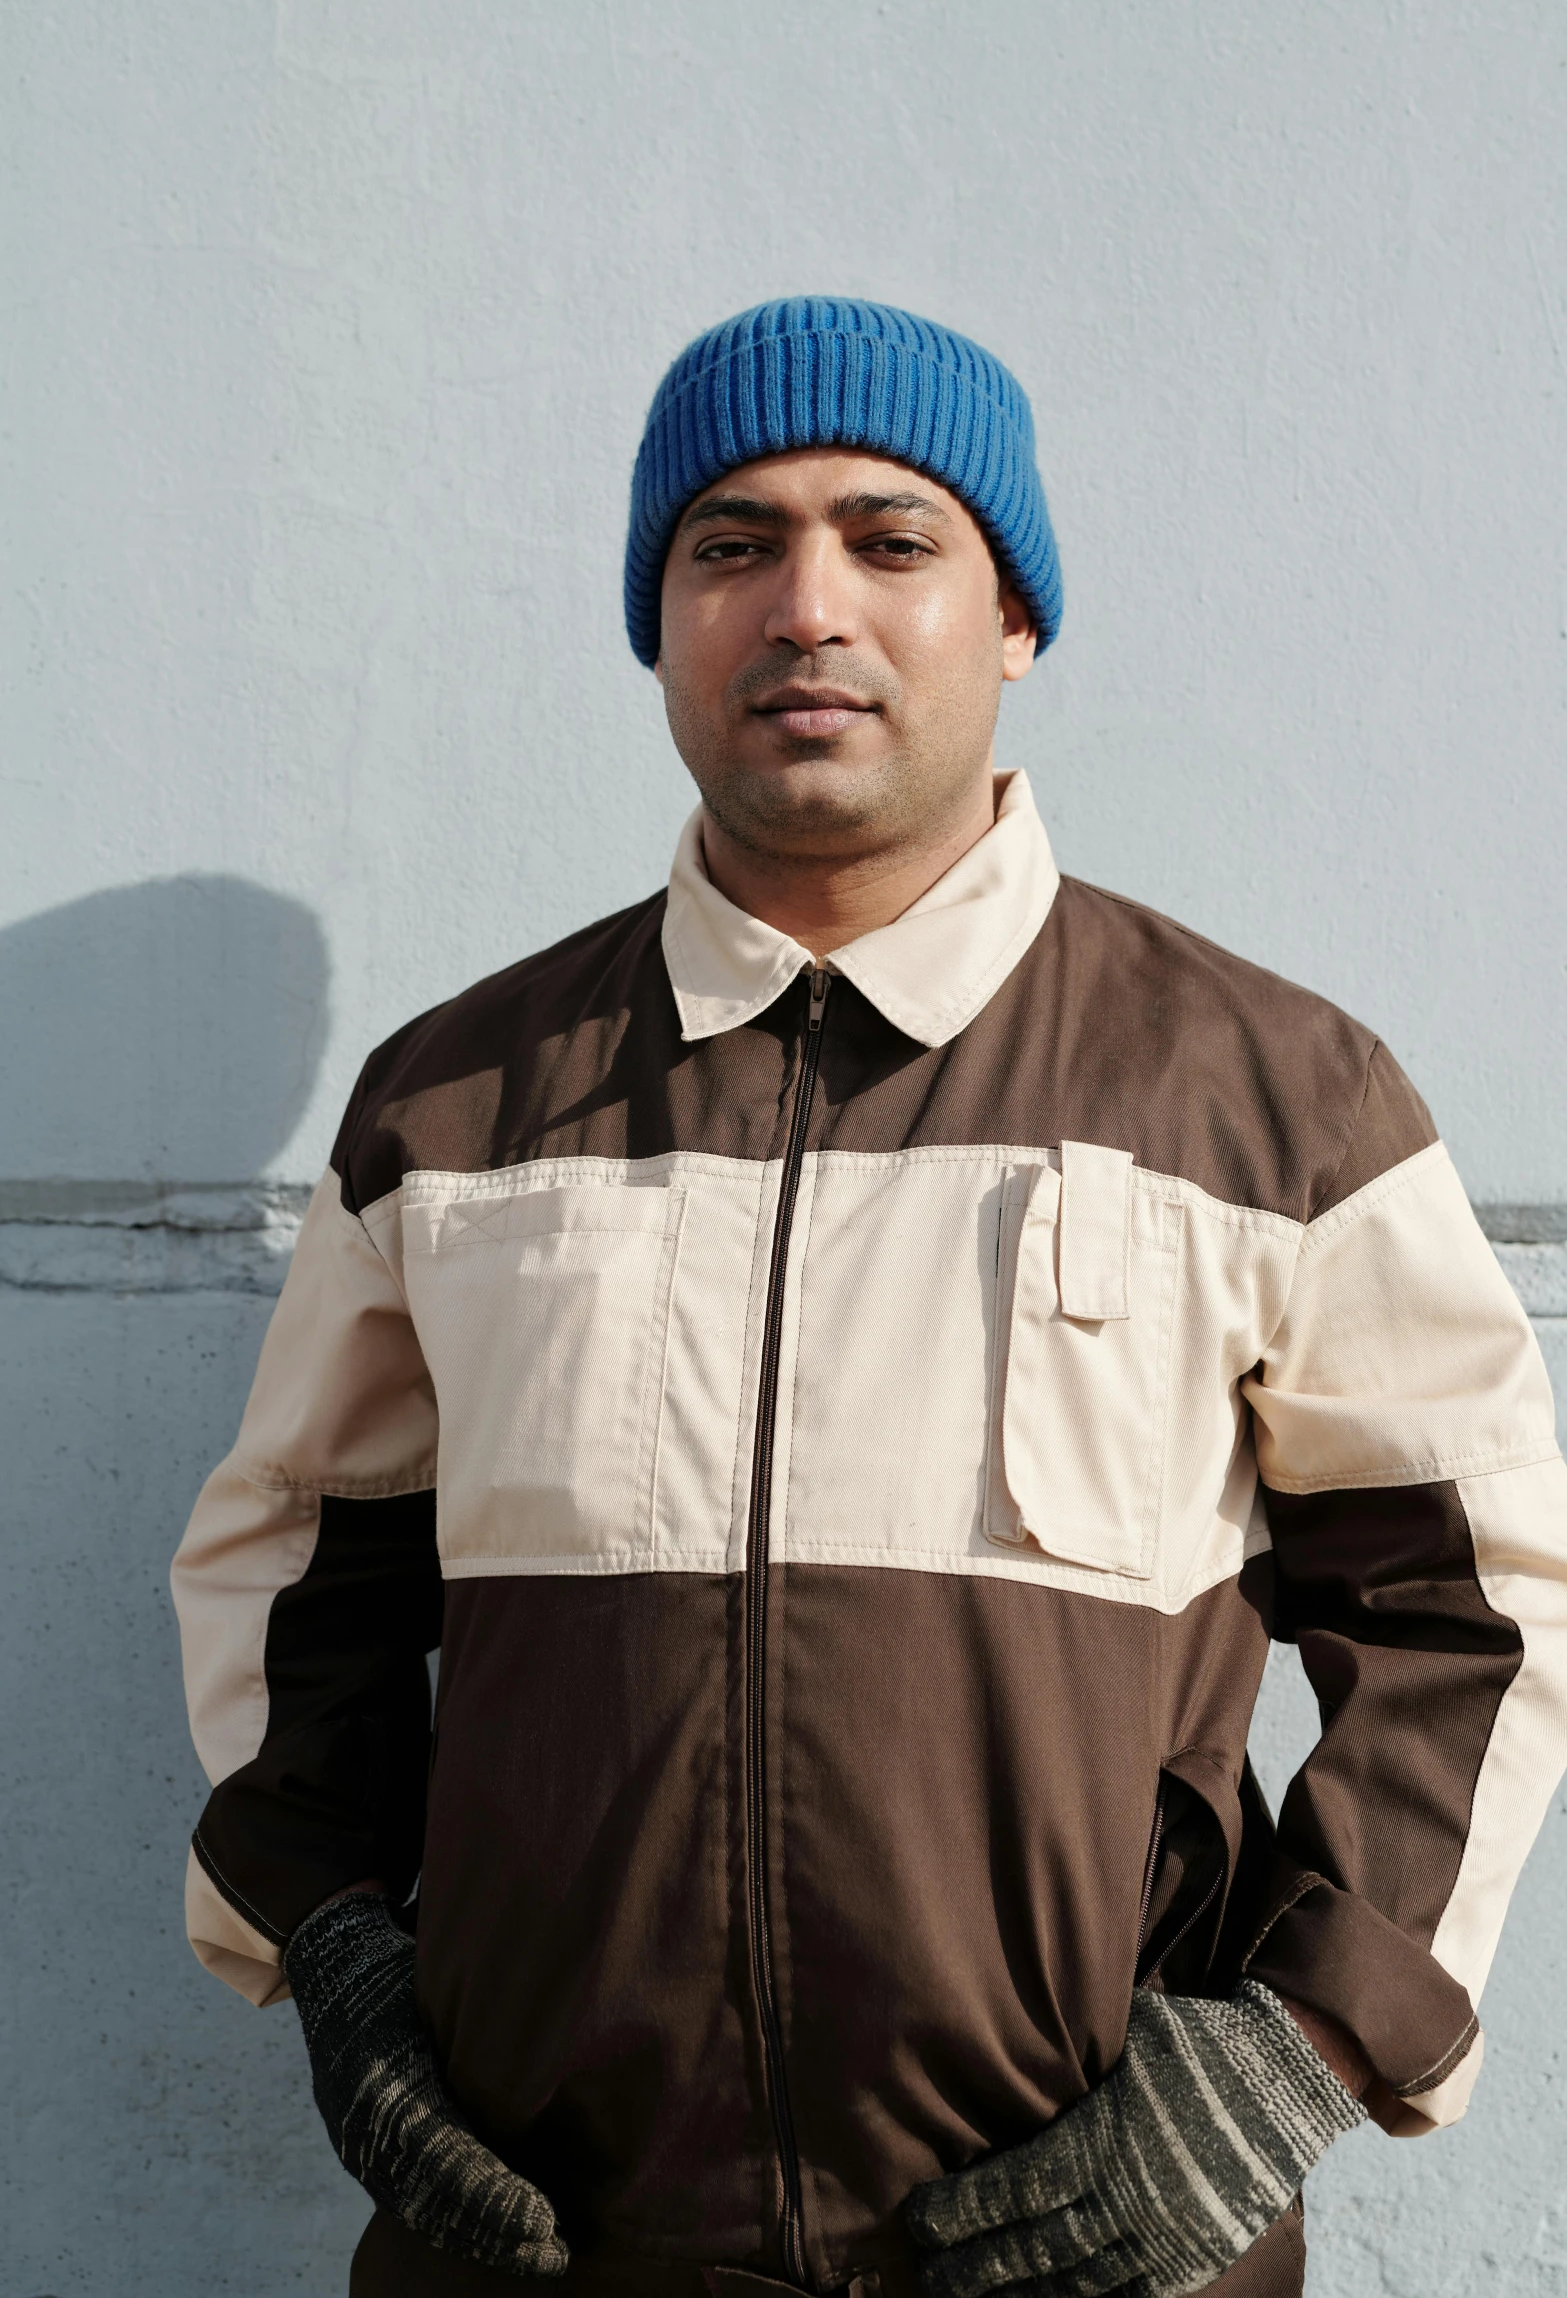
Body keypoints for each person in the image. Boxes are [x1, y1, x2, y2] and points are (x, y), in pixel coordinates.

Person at [172, 297, 1567, 2298]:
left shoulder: (1271, 1098)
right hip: (545, 2240)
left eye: (890, 539)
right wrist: (334, 1951)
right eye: (729, 545)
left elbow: (1480, 1604)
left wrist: (1302, 2042)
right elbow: (301, 1567)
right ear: (658, 619)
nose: (805, 604)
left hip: (1103, 2249)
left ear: (1016, 619)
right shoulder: (458, 1104)